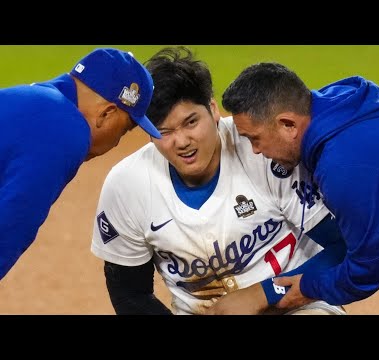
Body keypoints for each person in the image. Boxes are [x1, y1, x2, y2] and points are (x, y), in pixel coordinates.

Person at [90, 46, 347, 315]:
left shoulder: (262, 150)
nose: (182, 142)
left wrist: (265, 293)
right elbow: (131, 295)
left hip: (296, 304)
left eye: (191, 122)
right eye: (164, 132)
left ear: (213, 109)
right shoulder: (126, 187)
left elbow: (342, 247)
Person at [216, 61, 379, 315]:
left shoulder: (342, 165)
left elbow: (370, 269)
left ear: (288, 124)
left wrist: (306, 288)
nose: (256, 150)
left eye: (255, 138)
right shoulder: (339, 106)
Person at [0, 47, 161, 281]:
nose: (117, 143)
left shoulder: (35, 101)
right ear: (106, 114)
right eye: (125, 130)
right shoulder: (65, 129)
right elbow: (11, 224)